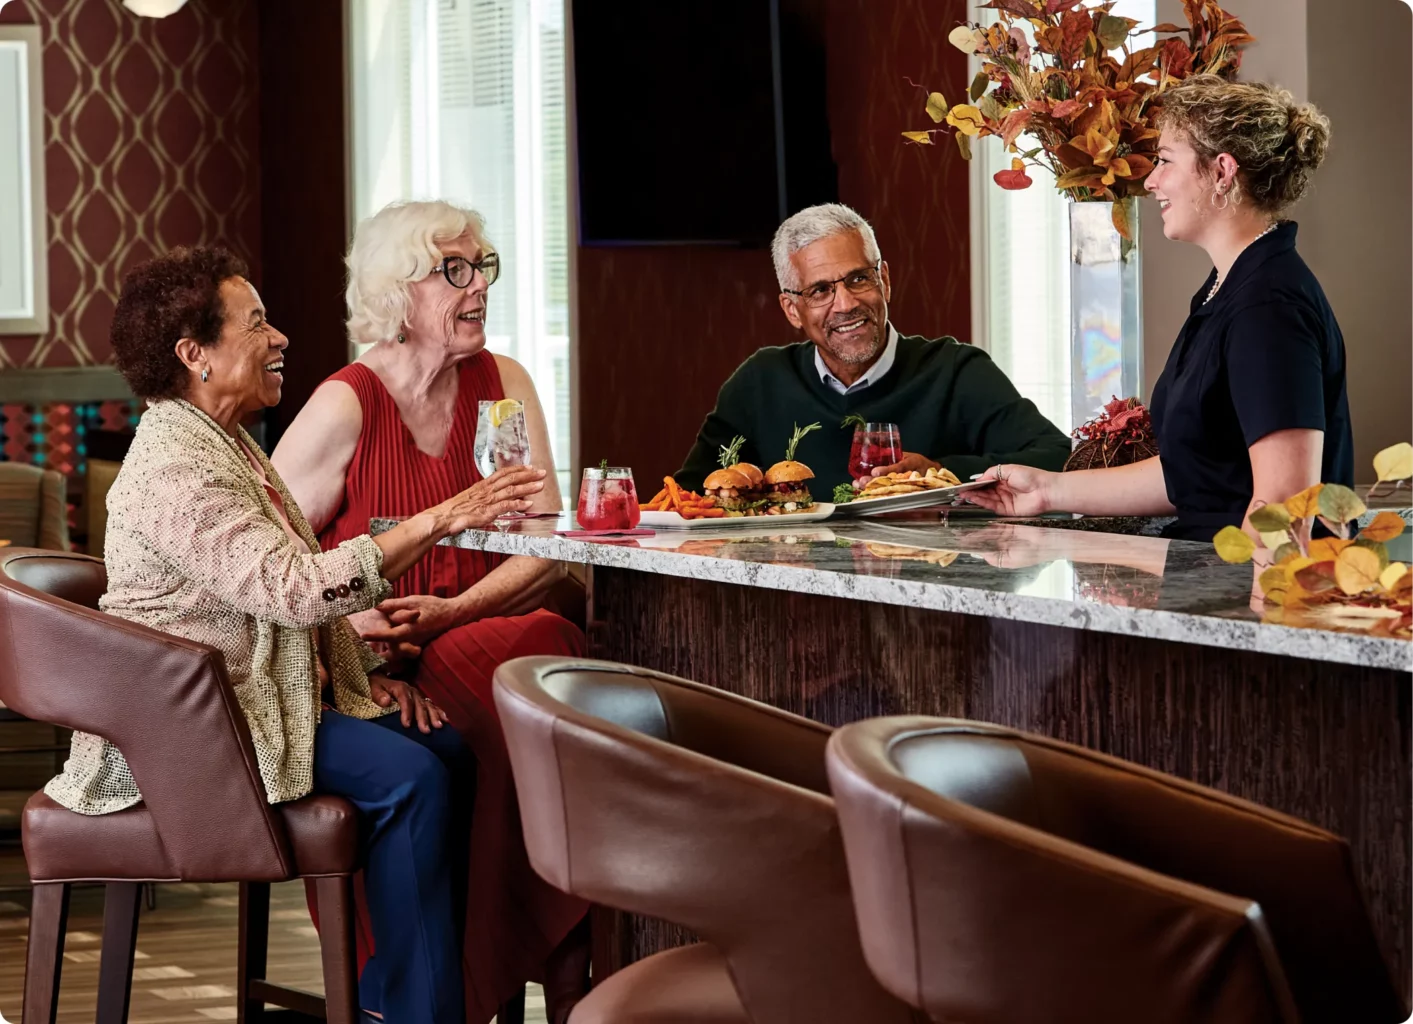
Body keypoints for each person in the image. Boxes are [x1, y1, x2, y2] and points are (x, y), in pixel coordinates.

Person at [48, 246, 548, 1024]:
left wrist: (357, 679)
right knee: (410, 779)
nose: (280, 337)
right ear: (195, 355)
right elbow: (294, 589)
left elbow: (285, 580)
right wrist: (447, 515)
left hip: (254, 704)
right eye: (256, 324)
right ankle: (417, 1010)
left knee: (450, 745)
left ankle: (406, 990)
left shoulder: (226, 441)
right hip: (194, 729)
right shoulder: (176, 465)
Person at [272, 200, 589, 1024]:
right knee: (532, 707)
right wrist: (349, 655)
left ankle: (483, 981)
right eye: (454, 269)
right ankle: (559, 967)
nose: (477, 284)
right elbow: (265, 576)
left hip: (473, 639)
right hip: (376, 669)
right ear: (396, 291)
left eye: (482, 264)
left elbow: (546, 545)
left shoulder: (503, 388)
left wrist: (451, 615)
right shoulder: (344, 406)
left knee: (544, 649)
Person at [972, 76, 1346, 545]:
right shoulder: (1228, 288)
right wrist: (1047, 490)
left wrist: (1246, 615)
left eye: (1166, 161)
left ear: (1222, 171)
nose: (1150, 180)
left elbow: (1285, 509)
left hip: (1239, 598)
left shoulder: (1267, 307)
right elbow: (1194, 473)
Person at [675, 202, 1071, 492]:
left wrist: (939, 472)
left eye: (859, 279)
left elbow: (1060, 456)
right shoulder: (759, 382)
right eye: (820, 290)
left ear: (885, 280)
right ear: (792, 309)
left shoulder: (956, 371)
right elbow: (687, 495)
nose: (845, 304)